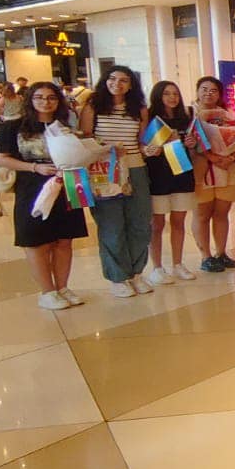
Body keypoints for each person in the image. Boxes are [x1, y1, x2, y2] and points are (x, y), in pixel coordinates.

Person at [0, 82, 88, 310]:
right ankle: (47, 291)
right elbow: (1, 158)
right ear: (30, 99)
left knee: (64, 239)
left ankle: (63, 287)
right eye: (39, 97)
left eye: (51, 97)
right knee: (37, 240)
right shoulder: (14, 127)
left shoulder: (65, 126)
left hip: (67, 184)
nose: (46, 102)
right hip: (32, 186)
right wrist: (34, 168)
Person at [77, 65, 154, 298]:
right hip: (105, 171)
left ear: (131, 85)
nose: (117, 84)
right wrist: (107, 149)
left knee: (140, 223)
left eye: (123, 80)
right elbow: (85, 140)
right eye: (112, 79)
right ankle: (118, 276)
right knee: (111, 224)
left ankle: (136, 272)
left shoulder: (139, 109)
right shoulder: (93, 107)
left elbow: (141, 141)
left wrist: (149, 149)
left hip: (135, 168)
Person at [189, 76, 235, 272]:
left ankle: (221, 253)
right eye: (204, 89)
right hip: (202, 170)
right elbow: (188, 142)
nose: (208, 93)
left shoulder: (228, 115)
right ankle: (205, 256)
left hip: (227, 168)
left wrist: (232, 154)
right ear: (197, 91)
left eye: (213, 90)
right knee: (202, 214)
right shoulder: (190, 114)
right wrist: (212, 157)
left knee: (222, 212)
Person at [142, 80, 199, 285]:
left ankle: (178, 264)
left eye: (175, 93)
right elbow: (142, 145)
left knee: (179, 221)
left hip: (182, 173)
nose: (172, 97)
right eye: (167, 93)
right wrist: (149, 149)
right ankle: (157, 267)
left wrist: (192, 144)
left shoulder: (187, 118)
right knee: (157, 224)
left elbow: (193, 146)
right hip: (157, 175)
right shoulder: (149, 118)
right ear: (158, 95)